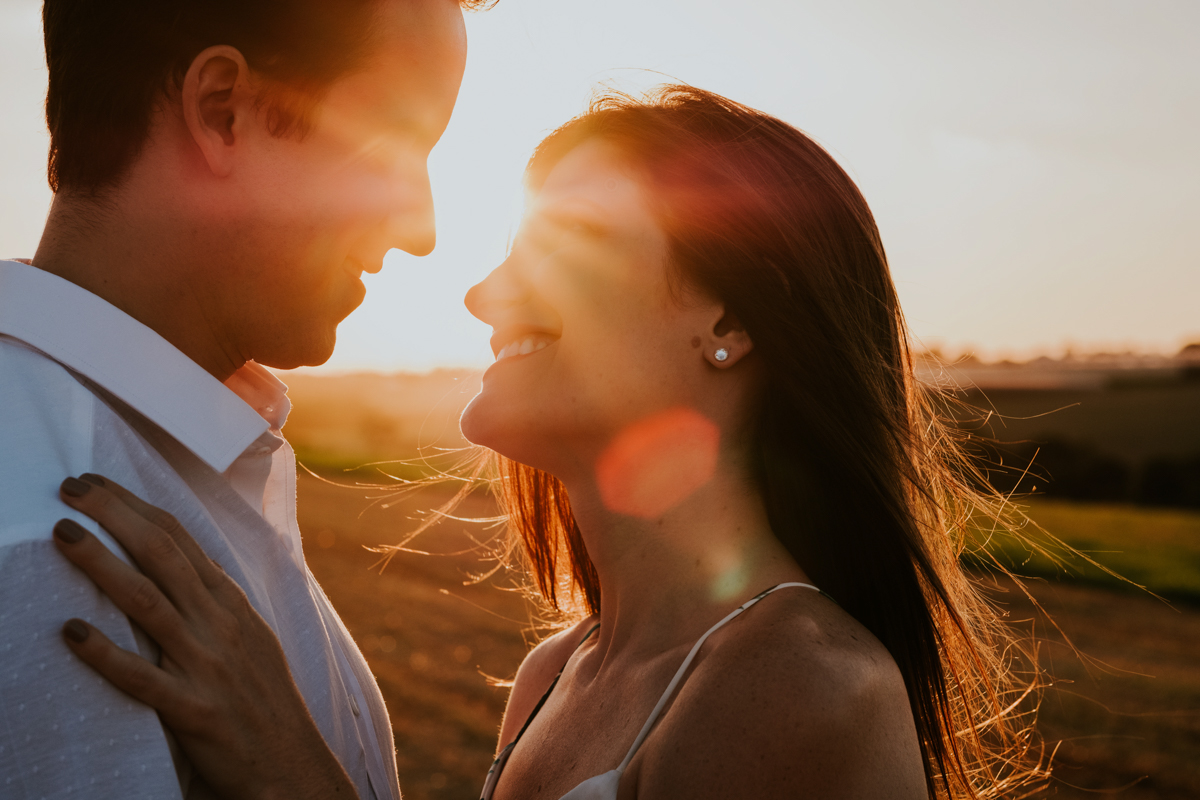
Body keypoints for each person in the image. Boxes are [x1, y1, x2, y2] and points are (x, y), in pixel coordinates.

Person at [50, 87, 1044, 799]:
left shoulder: (798, 689)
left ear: (731, 321)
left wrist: (292, 775)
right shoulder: (557, 674)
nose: (485, 293)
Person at [0, 0, 475, 797]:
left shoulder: (161, 455)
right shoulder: (47, 531)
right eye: (396, 145)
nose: (421, 228)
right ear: (223, 111)